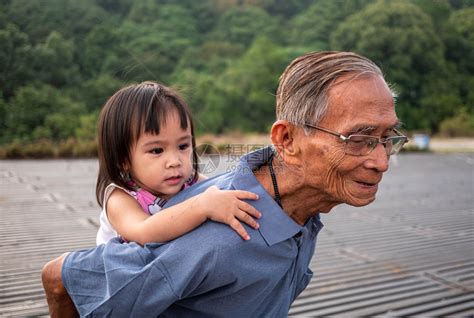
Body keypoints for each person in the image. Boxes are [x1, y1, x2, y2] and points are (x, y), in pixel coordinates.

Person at [42, 51, 408, 317]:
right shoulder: (217, 239)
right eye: (357, 138)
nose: (381, 161)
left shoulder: (299, 206)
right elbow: (60, 278)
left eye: (388, 137)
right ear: (287, 141)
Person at [92, 81, 261, 247]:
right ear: (123, 159)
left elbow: (219, 191)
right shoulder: (121, 198)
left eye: (183, 146)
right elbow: (143, 232)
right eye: (157, 150)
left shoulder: (191, 182)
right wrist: (202, 206)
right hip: (124, 270)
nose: (175, 161)